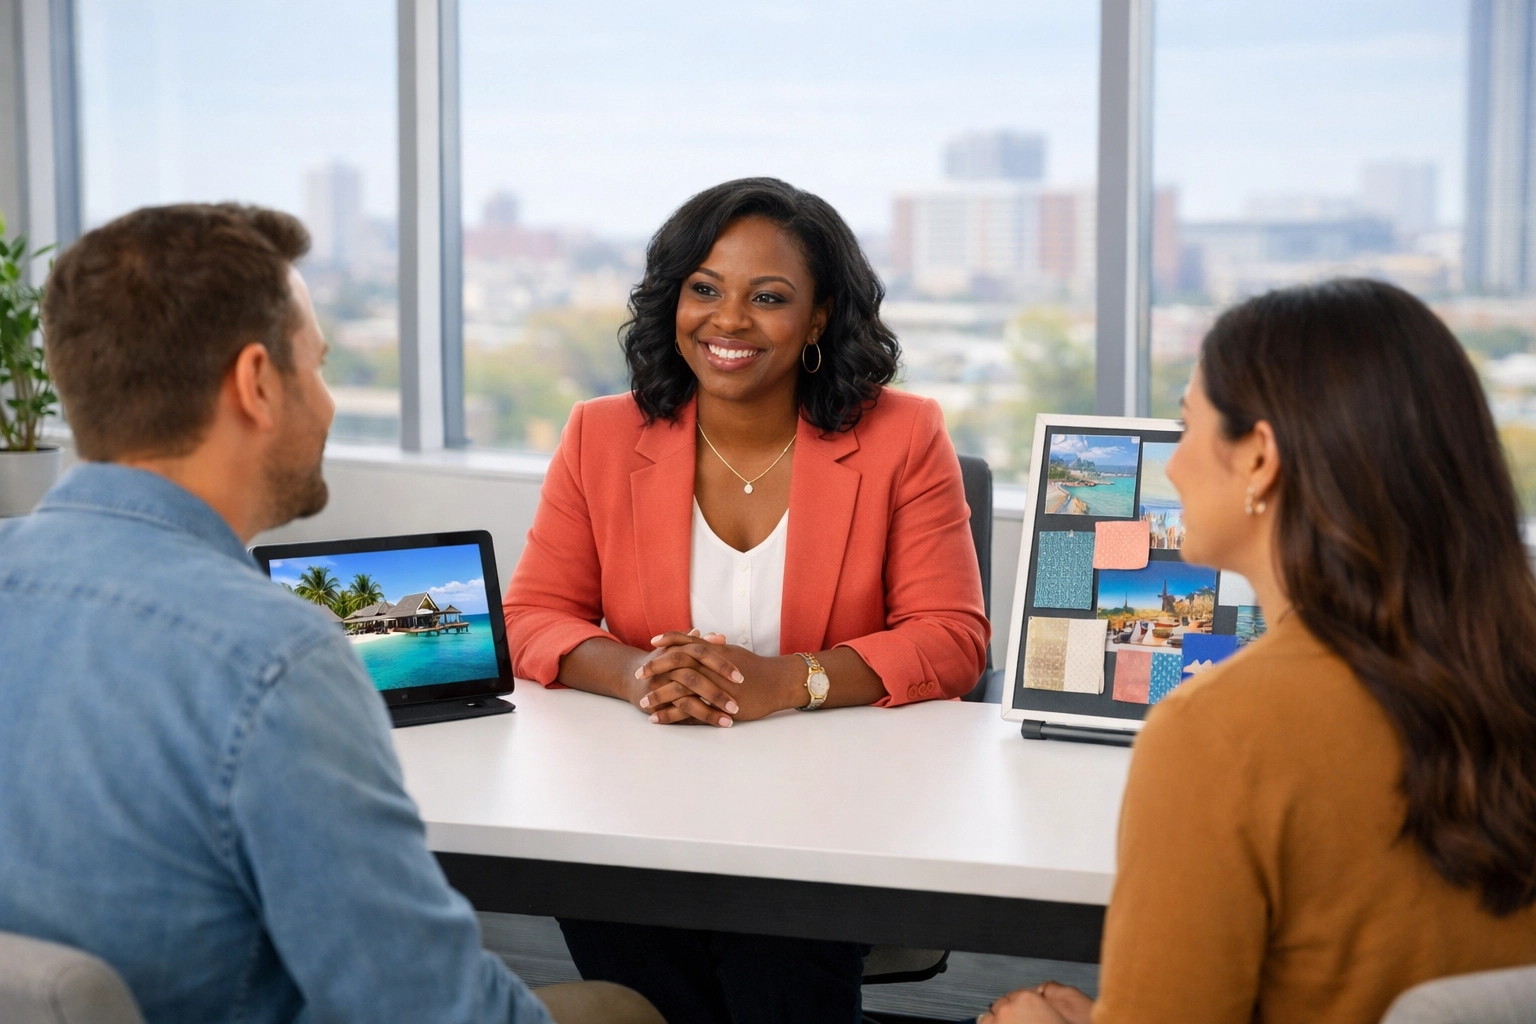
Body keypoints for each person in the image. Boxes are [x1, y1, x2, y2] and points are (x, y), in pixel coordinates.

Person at [0, 204, 663, 1024]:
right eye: (317, 365)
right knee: (625, 1008)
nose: (329, 401)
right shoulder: (275, 661)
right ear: (256, 383)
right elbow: (437, 1012)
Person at [981, 278, 1536, 1024]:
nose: (1173, 466)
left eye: (1187, 427)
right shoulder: (1508, 671)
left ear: (1260, 458)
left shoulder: (1217, 733)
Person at [503, 178, 990, 1023]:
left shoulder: (903, 436)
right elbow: (533, 616)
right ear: (673, 301)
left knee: (779, 977)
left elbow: (951, 639)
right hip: (636, 805)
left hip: (824, 817)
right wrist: (639, 674)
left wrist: (788, 681)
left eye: (768, 297)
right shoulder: (601, 434)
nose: (727, 321)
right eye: (704, 289)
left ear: (820, 316)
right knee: (645, 981)